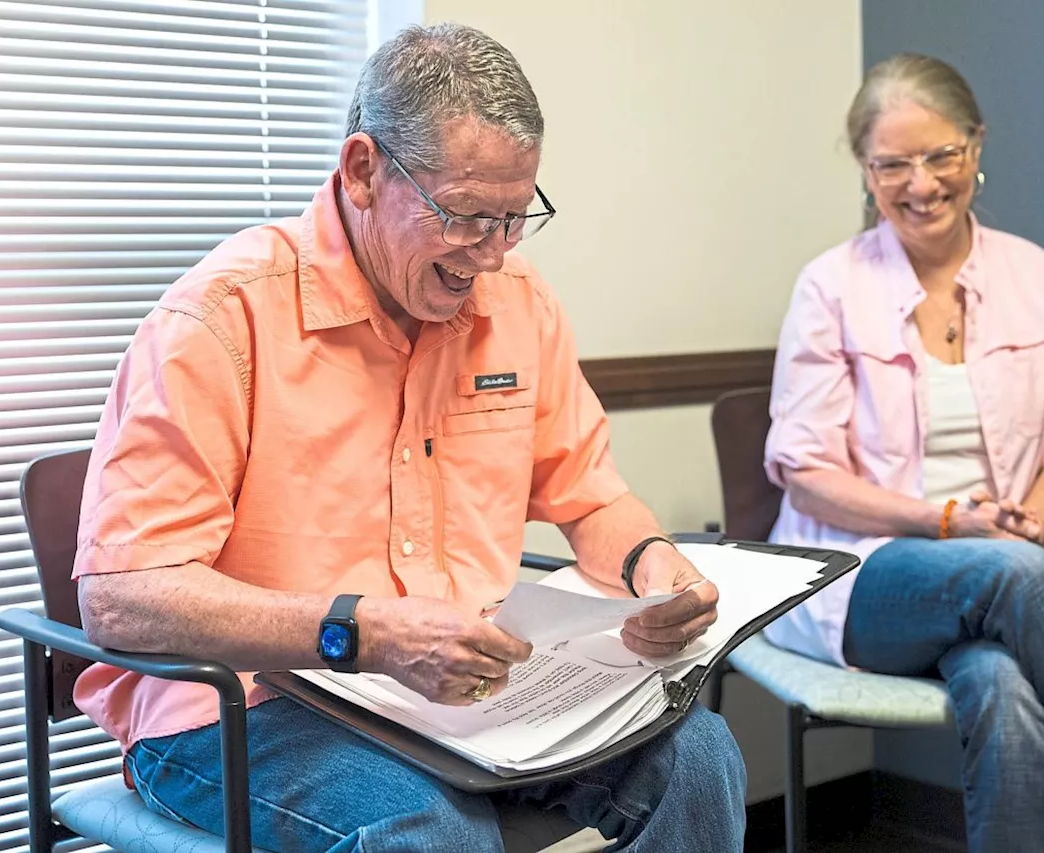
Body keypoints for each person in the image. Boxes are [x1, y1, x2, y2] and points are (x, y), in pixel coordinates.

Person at [71, 23, 745, 852]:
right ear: (363, 171)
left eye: (515, 217)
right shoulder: (222, 318)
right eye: (464, 217)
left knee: (700, 754)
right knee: (427, 827)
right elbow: (122, 598)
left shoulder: (520, 305)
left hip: (460, 695)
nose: (492, 257)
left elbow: (591, 493)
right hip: (243, 706)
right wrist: (367, 632)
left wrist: (651, 563)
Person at [763, 54, 1044, 853]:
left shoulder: (1038, 276)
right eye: (892, 163)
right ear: (866, 171)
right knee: (1019, 575)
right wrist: (948, 522)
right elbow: (808, 475)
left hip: (1006, 579)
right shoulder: (829, 286)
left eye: (942, 155)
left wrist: (1017, 526)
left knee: (1004, 685)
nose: (920, 183)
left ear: (977, 146)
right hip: (864, 573)